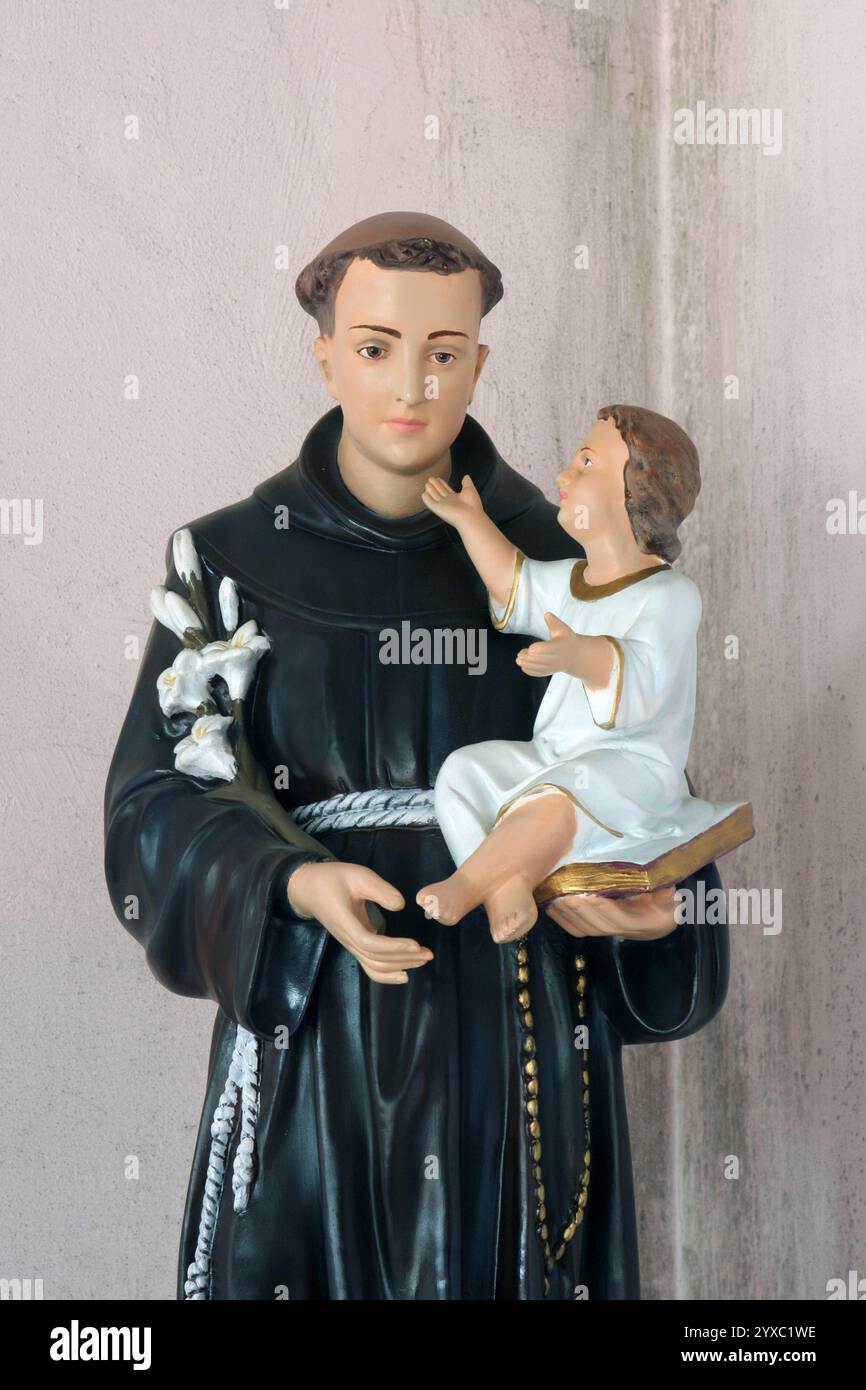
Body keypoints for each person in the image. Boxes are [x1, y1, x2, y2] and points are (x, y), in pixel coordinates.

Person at [104, 211, 730, 1300]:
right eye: (375, 346)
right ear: (324, 353)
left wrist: (653, 908)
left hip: (514, 1049)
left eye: (444, 354)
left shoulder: (567, 561)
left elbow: (643, 775)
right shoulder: (227, 563)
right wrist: (288, 881)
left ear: (479, 361)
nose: (412, 384)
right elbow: (150, 806)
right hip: (317, 1059)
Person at [417, 405, 753, 943]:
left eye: (587, 462)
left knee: (559, 794)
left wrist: (582, 656)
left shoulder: (670, 596)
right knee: (462, 772)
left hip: (633, 771)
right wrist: (470, 521)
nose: (563, 476)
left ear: (636, 493)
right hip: (556, 756)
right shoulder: (574, 580)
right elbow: (515, 584)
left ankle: (469, 882)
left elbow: (645, 683)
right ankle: (507, 888)